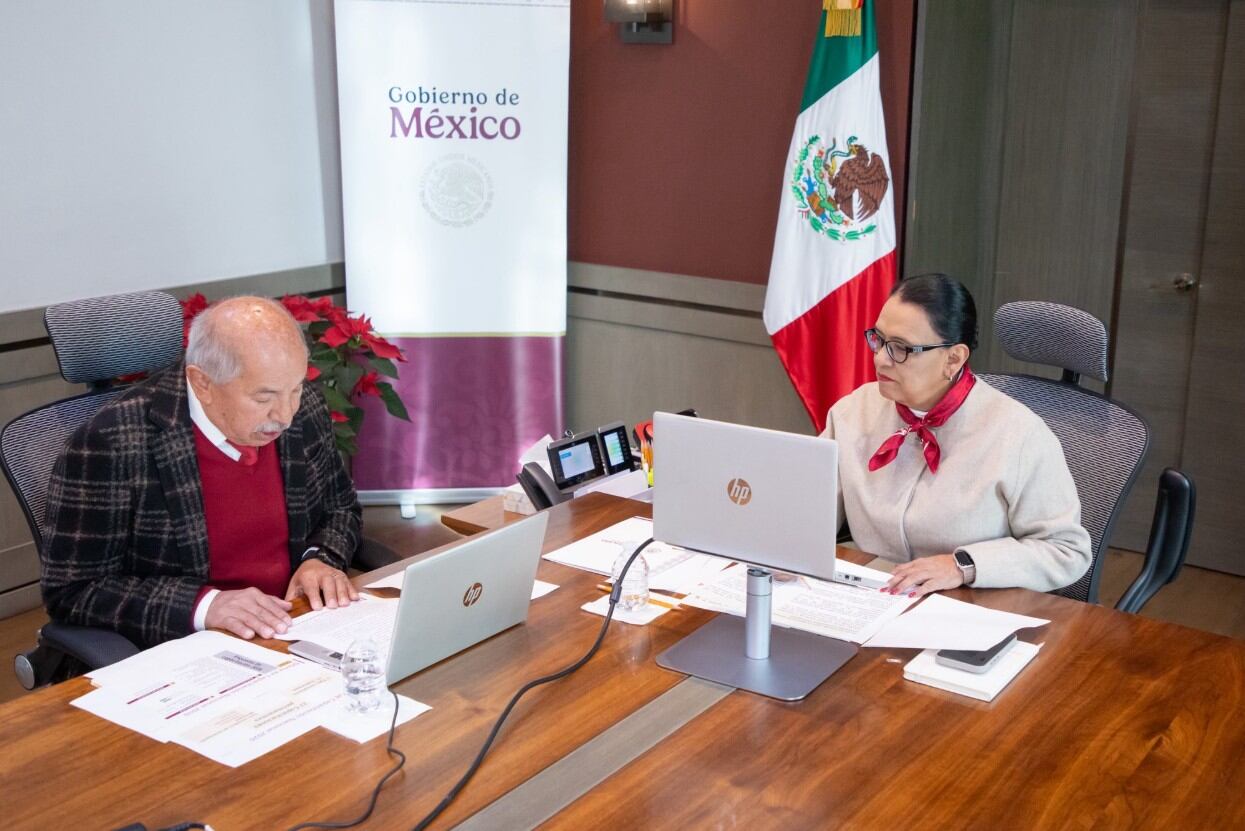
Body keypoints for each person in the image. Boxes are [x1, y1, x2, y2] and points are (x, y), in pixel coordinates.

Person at [41, 296, 362, 648]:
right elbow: (73, 590)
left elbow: (340, 507)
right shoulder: (112, 442)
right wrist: (203, 605)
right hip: (188, 646)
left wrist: (319, 559)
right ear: (202, 383)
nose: (285, 415)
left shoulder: (304, 409)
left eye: (296, 389)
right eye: (263, 398)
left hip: (297, 624)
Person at [821, 274, 1091, 597]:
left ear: (953, 359)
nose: (880, 358)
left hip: (970, 603)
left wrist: (963, 564)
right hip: (871, 596)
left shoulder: (1019, 435)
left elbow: (1066, 550)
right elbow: (806, 510)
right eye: (878, 339)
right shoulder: (852, 412)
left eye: (901, 348)